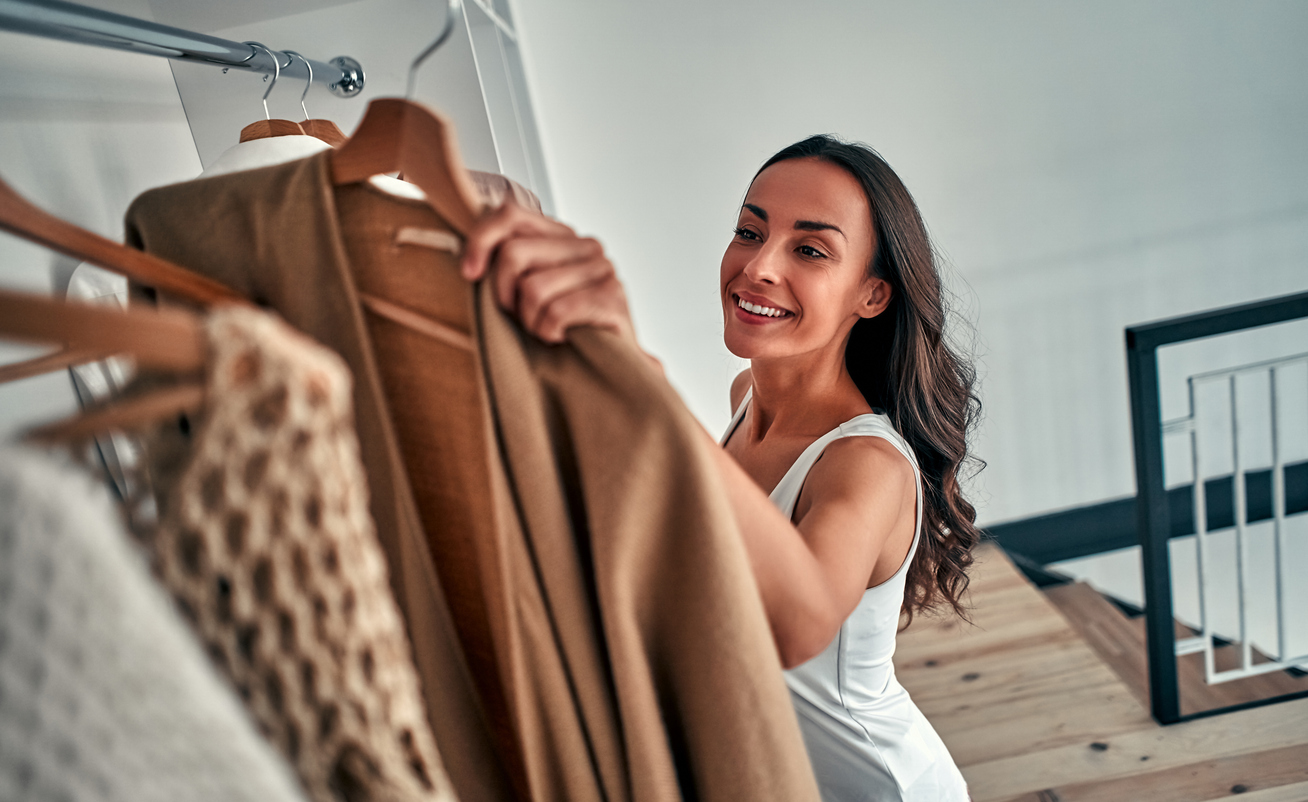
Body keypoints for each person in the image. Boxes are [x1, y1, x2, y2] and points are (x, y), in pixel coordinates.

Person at [460, 134, 981, 801]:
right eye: (748, 231)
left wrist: (644, 383)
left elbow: (795, 628)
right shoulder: (745, 400)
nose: (759, 266)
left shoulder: (864, 463)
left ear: (872, 296)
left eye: (810, 249)